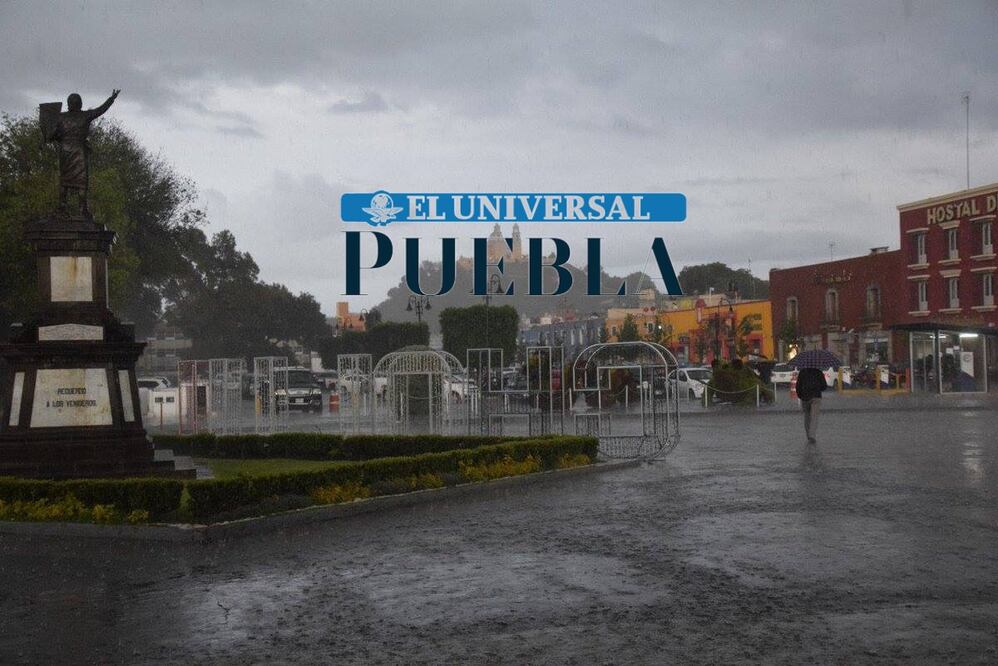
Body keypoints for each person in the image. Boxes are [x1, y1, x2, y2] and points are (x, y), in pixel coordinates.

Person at [796, 367, 827, 443]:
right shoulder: (818, 372)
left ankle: (808, 435)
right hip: (816, 397)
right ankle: (812, 435)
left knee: (807, 416)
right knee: (814, 417)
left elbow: (798, 386)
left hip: (805, 397)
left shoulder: (802, 372)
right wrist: (817, 388)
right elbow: (824, 386)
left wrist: (800, 395)